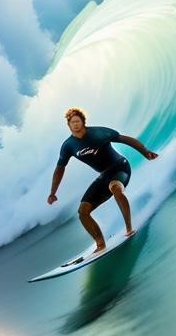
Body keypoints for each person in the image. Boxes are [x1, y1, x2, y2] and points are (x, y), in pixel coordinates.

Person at [47, 107, 158, 255]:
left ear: (83, 122)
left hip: (120, 167)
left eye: (77, 121)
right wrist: (53, 192)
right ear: (68, 125)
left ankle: (129, 228)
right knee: (83, 211)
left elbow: (125, 140)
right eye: (72, 122)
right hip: (104, 175)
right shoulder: (68, 146)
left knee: (115, 188)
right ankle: (100, 244)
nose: (75, 124)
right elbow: (60, 168)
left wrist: (146, 152)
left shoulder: (99, 132)